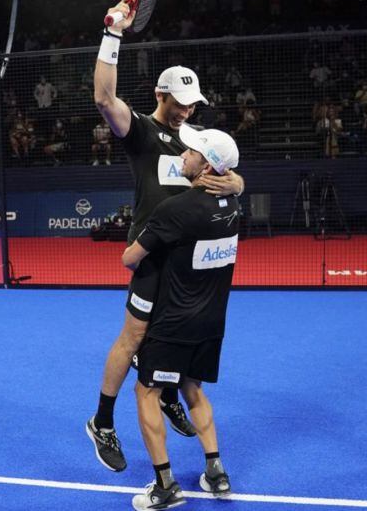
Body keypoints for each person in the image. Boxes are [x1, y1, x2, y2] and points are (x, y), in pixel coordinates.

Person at [86, 0, 246, 474]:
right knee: (134, 337)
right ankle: (103, 421)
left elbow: (229, 173)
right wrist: (113, 34)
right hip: (152, 255)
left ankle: (170, 395)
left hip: (187, 262)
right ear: (161, 97)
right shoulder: (139, 131)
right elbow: (103, 98)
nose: (186, 111)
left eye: (192, 105)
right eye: (179, 104)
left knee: (174, 339)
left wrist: (238, 181)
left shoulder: (196, 138)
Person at [124, 126, 240, 509]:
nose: (183, 156)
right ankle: (216, 473)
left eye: (190, 152)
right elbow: (231, 186)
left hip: (173, 323)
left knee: (147, 392)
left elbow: (130, 258)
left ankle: (165, 486)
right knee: (194, 390)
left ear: (206, 165)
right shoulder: (233, 204)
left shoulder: (177, 209)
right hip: (212, 322)